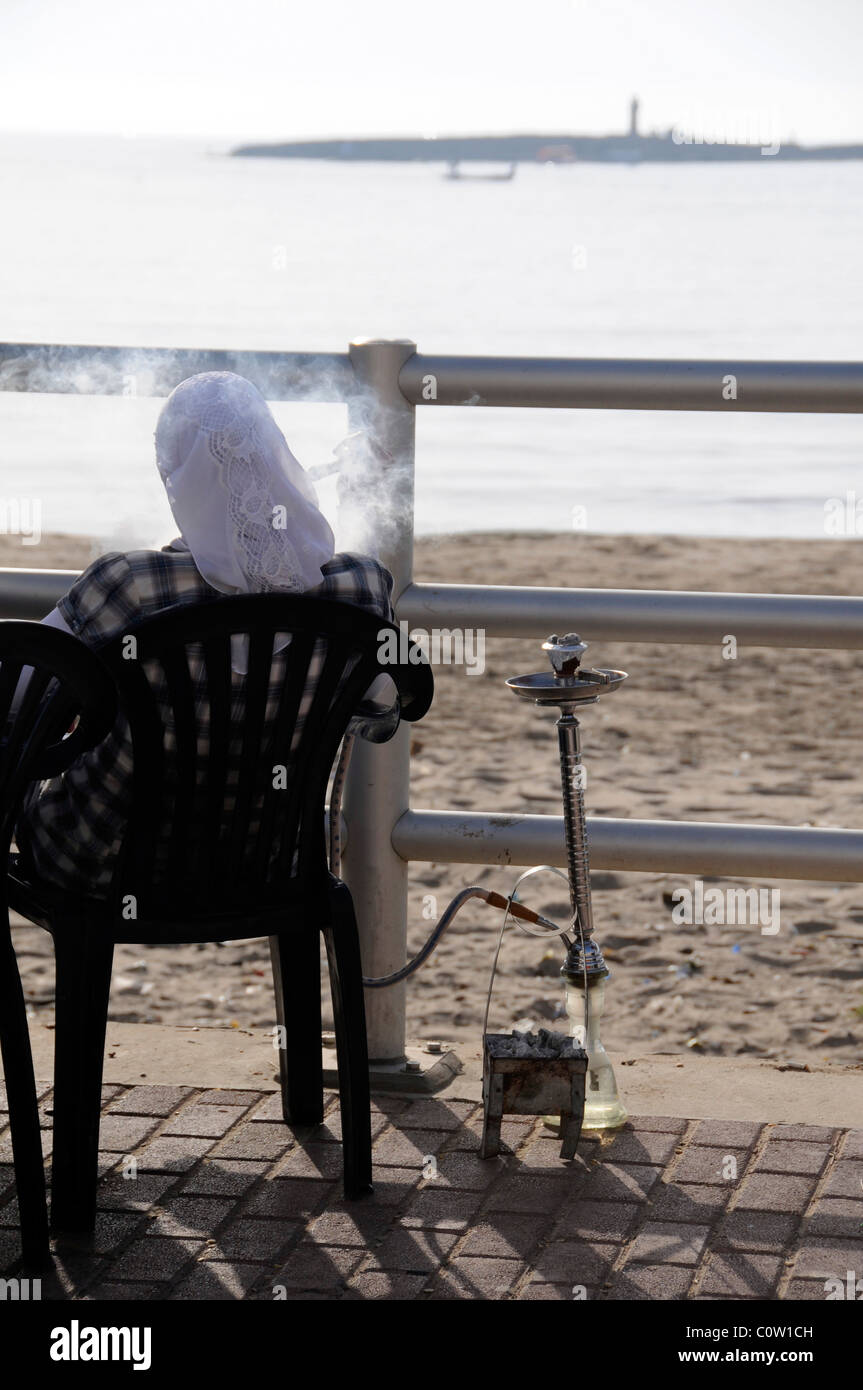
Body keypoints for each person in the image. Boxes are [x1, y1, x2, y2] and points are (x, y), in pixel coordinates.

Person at [14, 371, 396, 894]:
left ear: (175, 479)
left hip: (106, 867)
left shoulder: (130, 586)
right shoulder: (362, 589)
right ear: (278, 455)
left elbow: (16, 691)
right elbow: (379, 718)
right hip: (269, 869)